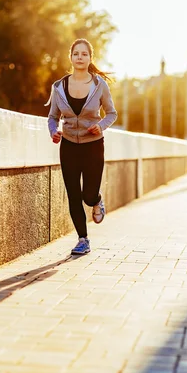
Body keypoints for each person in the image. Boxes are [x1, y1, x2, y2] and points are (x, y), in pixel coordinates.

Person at [46, 38, 118, 255]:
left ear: (90, 58)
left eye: (84, 54)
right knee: (74, 195)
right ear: (71, 57)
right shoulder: (58, 87)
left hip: (93, 146)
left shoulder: (99, 85)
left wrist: (101, 126)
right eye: (76, 53)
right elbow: (52, 117)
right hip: (68, 145)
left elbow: (112, 113)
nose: (80, 57)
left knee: (88, 195)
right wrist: (53, 131)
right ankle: (83, 239)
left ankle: (96, 200)